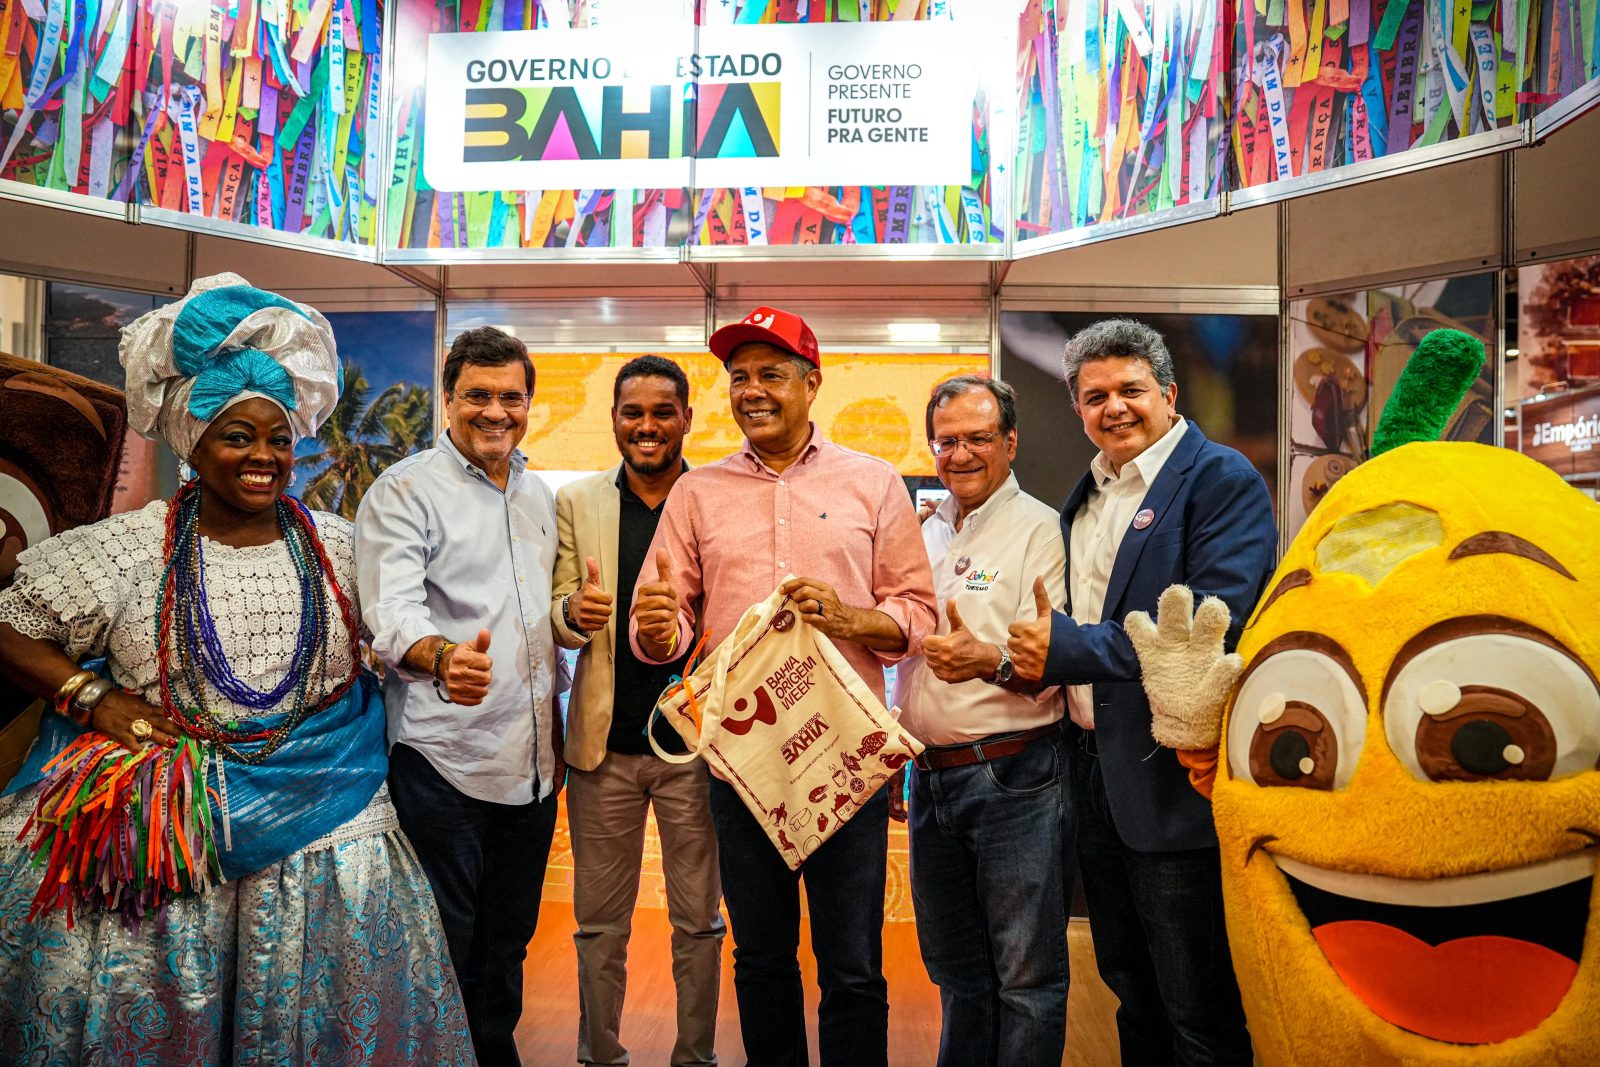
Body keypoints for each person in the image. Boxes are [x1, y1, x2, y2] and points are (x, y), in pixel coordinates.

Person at [0, 273, 473, 1064]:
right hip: (168, 841)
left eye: (279, 439)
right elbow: (13, 624)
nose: (264, 456)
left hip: (327, 828)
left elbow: (400, 628)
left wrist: (446, 657)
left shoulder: (341, 546)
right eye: (238, 436)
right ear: (193, 440)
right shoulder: (131, 547)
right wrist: (95, 698)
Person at [629, 307, 937, 1067]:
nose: (752, 390)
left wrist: (851, 618)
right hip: (741, 763)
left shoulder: (874, 482)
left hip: (845, 760)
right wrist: (659, 629)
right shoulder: (698, 493)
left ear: (812, 383)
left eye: (771, 373)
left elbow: (918, 613)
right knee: (761, 957)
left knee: (853, 963)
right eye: (739, 377)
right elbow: (660, 625)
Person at [1005, 319, 1274, 1067]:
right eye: (1096, 396)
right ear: (1076, 407)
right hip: (1090, 773)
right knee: (1130, 987)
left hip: (1171, 780)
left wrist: (1065, 649)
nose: (1115, 407)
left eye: (1132, 389)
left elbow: (1212, 624)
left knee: (1197, 1006)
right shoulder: (1087, 494)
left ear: (1170, 393)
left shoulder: (1219, 479)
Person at [355, 326, 562, 1067]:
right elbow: (390, 611)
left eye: (511, 396)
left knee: (508, 941)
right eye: (478, 394)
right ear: (448, 399)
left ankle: (492, 1051)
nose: (495, 411)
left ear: (529, 403)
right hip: (443, 762)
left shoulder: (538, 493)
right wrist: (442, 657)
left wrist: (573, 616)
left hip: (533, 767)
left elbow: (539, 612)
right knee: (441, 941)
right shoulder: (405, 490)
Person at [551, 355, 724, 1067]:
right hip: (604, 751)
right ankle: (600, 1055)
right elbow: (558, 611)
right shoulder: (577, 501)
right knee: (599, 926)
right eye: (633, 412)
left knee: (700, 923)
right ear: (614, 419)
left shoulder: (715, 497)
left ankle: (696, 1058)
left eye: (662, 412)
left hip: (696, 750)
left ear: (686, 419)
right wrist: (573, 612)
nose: (647, 426)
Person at [894, 375, 1071, 1067]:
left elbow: (1057, 658)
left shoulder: (1041, 528)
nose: (961, 453)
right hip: (929, 779)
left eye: (978, 438)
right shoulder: (925, 529)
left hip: (1014, 777)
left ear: (1011, 442)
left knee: (1026, 980)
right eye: (947, 441)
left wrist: (990, 661)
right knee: (957, 972)